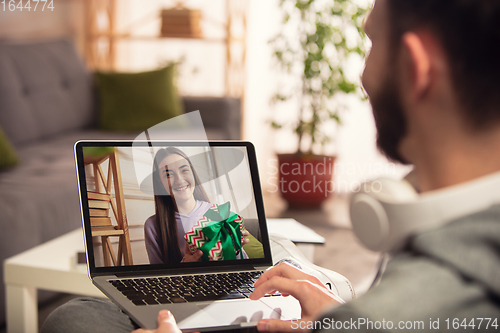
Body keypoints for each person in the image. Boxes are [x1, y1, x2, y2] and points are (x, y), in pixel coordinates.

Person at [41, 0, 500, 332]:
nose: (362, 75)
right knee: (75, 314)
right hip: (236, 297)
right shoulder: (156, 224)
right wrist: (334, 318)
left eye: (371, 43)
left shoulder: (395, 313)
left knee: (74, 318)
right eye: (168, 173)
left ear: (417, 67)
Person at [144, 147, 249, 264]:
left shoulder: (217, 213)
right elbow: (159, 278)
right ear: (160, 183)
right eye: (168, 174)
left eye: (184, 170)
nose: (179, 180)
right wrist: (185, 267)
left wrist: (236, 248)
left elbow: (243, 266)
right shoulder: (153, 225)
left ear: (193, 173)